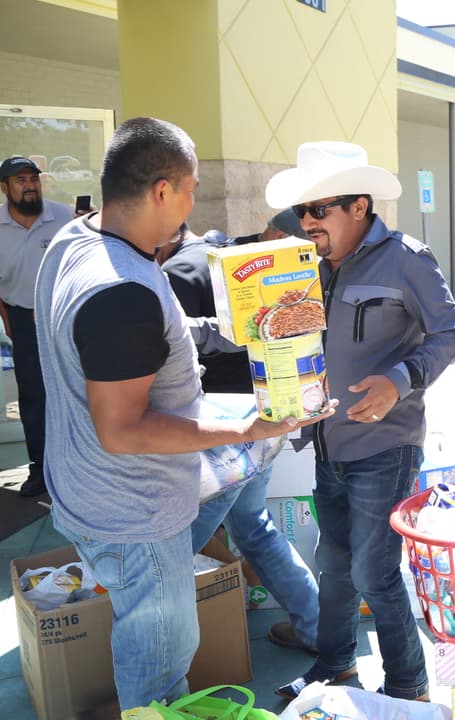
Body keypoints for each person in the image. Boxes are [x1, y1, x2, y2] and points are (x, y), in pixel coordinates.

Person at [34, 116, 331, 710]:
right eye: (192, 187)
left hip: (87, 485)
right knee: (162, 660)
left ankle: (187, 541)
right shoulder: (122, 292)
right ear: (162, 191)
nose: (196, 200)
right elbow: (122, 430)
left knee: (252, 454)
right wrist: (249, 427)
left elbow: (140, 343)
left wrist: (231, 328)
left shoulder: (78, 238)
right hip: (132, 511)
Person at [269, 141, 455, 703]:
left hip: (386, 444)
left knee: (375, 574)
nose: (306, 223)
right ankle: (334, 669)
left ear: (359, 206)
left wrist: (400, 379)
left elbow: (452, 335)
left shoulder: (407, 258)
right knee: (332, 565)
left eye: (319, 210)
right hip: (327, 441)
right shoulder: (305, 263)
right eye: (300, 213)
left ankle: (408, 688)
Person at [158, 220, 321, 655]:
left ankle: (176, 652)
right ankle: (314, 626)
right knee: (253, 528)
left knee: (180, 543)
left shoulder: (177, 272)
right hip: (261, 419)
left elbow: (178, 346)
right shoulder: (215, 264)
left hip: (224, 431)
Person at [0, 156, 74, 498]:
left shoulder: (65, 217)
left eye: (33, 178)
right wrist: (7, 322)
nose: (30, 184)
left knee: (75, 390)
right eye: (21, 180)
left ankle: (77, 466)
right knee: (34, 396)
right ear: (4, 188)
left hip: (64, 315)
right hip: (22, 318)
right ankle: (39, 469)